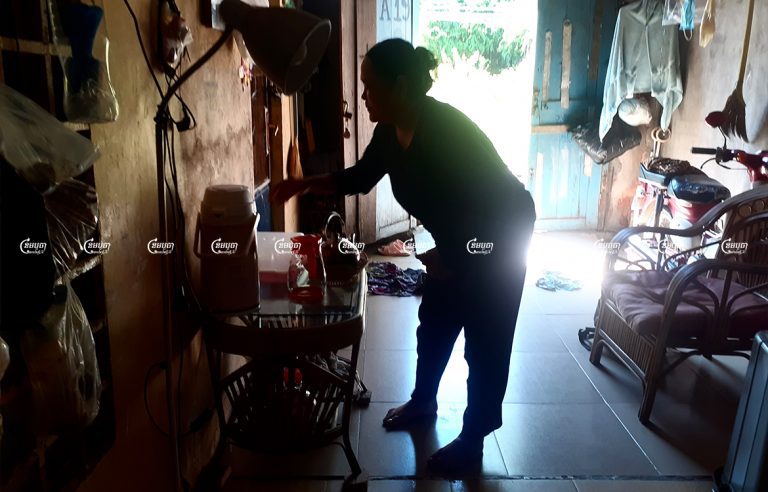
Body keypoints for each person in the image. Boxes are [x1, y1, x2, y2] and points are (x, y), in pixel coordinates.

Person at [271, 38, 536, 474]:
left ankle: (472, 442)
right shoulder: (389, 134)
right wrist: (303, 185)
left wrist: (456, 259)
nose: (362, 96)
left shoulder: (446, 130)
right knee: (434, 321)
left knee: (486, 341)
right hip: (461, 237)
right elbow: (359, 177)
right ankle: (423, 402)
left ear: (400, 85)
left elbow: (480, 206)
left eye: (369, 86)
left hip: (499, 233)